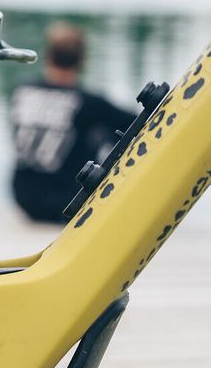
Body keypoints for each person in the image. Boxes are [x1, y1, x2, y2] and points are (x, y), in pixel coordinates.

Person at [9, 22, 135, 223]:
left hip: (23, 196)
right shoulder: (89, 102)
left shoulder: (23, 91)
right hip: (66, 201)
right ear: (82, 61)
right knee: (105, 132)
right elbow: (135, 123)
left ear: (48, 56)